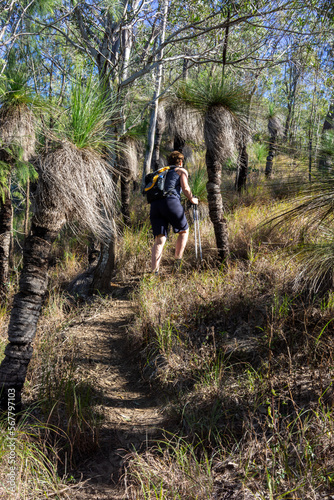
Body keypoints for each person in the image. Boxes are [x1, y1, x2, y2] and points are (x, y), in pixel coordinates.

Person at [150, 151, 198, 274]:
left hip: (155, 205)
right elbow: (185, 188)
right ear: (181, 162)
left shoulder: (161, 172)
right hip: (171, 202)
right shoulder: (181, 170)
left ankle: (154, 272)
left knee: (159, 240)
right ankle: (177, 264)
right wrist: (192, 199)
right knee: (183, 231)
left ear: (168, 162)